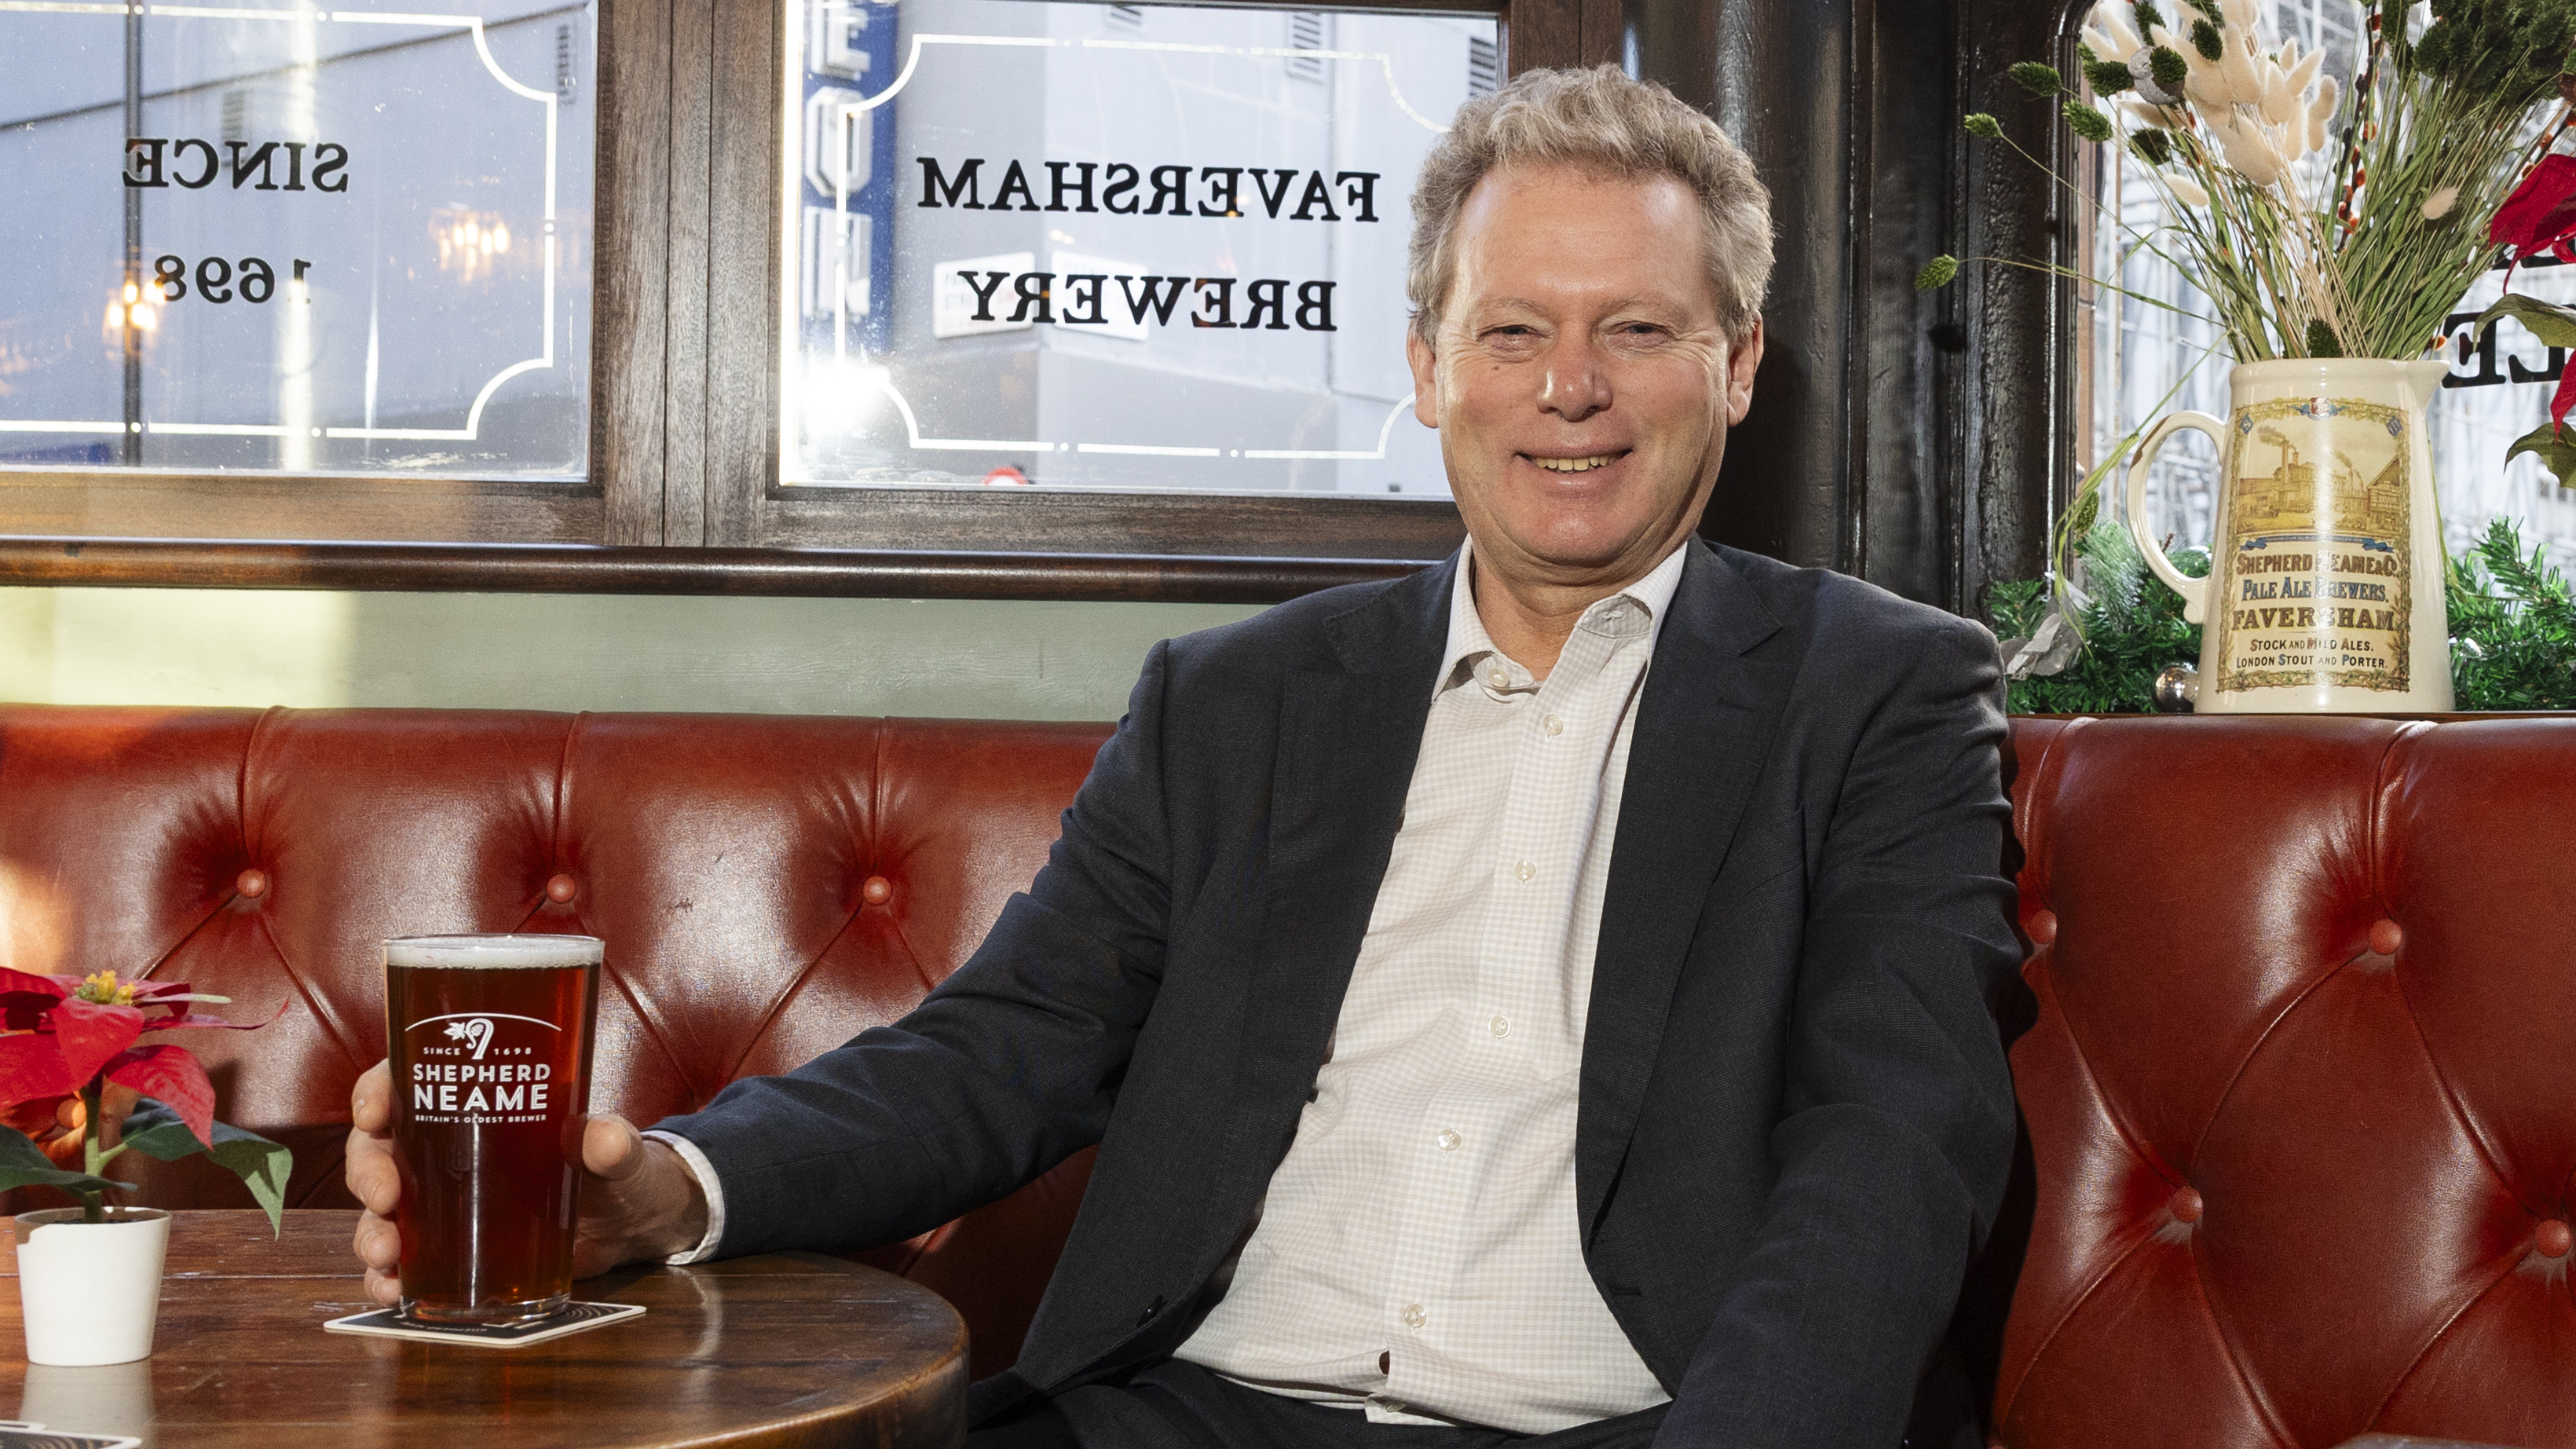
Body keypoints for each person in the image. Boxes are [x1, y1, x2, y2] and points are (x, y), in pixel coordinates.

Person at [346, 64, 2018, 1448]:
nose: (1566, 387)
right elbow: (999, 1051)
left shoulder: (1876, 694)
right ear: (1428, 367)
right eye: (1511, 332)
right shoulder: (1236, 702)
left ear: (1731, 369)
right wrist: (664, 1190)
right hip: (1202, 1413)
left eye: (1636, 332)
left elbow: (1891, 1137)